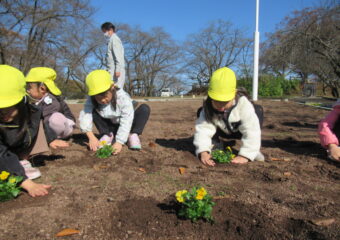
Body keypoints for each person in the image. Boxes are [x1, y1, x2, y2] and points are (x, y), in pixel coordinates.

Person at [194, 67, 264, 166]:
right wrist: (203, 151)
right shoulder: (208, 106)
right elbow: (203, 130)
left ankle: (253, 150)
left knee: (257, 110)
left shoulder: (243, 104)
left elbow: (252, 131)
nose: (221, 107)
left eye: (225, 102)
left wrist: (246, 155)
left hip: (238, 131)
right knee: (201, 111)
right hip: (221, 129)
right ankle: (215, 144)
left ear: (234, 94)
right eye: (217, 101)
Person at [0, 65, 51, 197]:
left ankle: (22, 159)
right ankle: (16, 164)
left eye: (8, 108)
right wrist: (26, 183)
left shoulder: (32, 111)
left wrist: (52, 138)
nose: (3, 114)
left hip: (20, 145)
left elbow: (40, 128)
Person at [79, 70, 150, 153]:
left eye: (105, 96)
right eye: (98, 98)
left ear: (112, 87)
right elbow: (85, 115)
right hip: (110, 126)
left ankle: (133, 135)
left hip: (127, 126)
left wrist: (119, 142)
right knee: (92, 111)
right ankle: (107, 135)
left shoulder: (123, 98)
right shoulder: (91, 99)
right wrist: (91, 137)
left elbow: (127, 120)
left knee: (144, 109)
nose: (102, 100)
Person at [26, 67, 75, 149]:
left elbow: (47, 120)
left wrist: (50, 139)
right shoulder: (38, 100)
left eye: (30, 87)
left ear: (42, 88)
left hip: (65, 127)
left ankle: (57, 137)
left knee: (55, 118)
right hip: (51, 127)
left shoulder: (51, 101)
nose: (28, 90)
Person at [101, 22, 125, 89]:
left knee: (117, 91)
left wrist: (118, 69)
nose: (104, 34)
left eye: (104, 31)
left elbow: (118, 56)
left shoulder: (114, 40)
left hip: (116, 71)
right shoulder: (111, 40)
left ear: (110, 30)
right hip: (112, 70)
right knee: (113, 91)